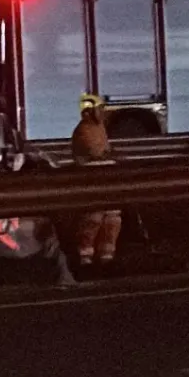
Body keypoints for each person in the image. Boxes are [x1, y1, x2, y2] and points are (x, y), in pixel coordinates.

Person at [71, 93, 121, 267]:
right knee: (93, 217)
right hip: (93, 181)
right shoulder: (83, 130)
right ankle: (86, 255)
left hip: (106, 180)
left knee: (112, 218)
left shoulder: (99, 128)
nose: (103, 112)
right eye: (99, 109)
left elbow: (106, 152)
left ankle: (107, 254)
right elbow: (96, 154)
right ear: (90, 112)